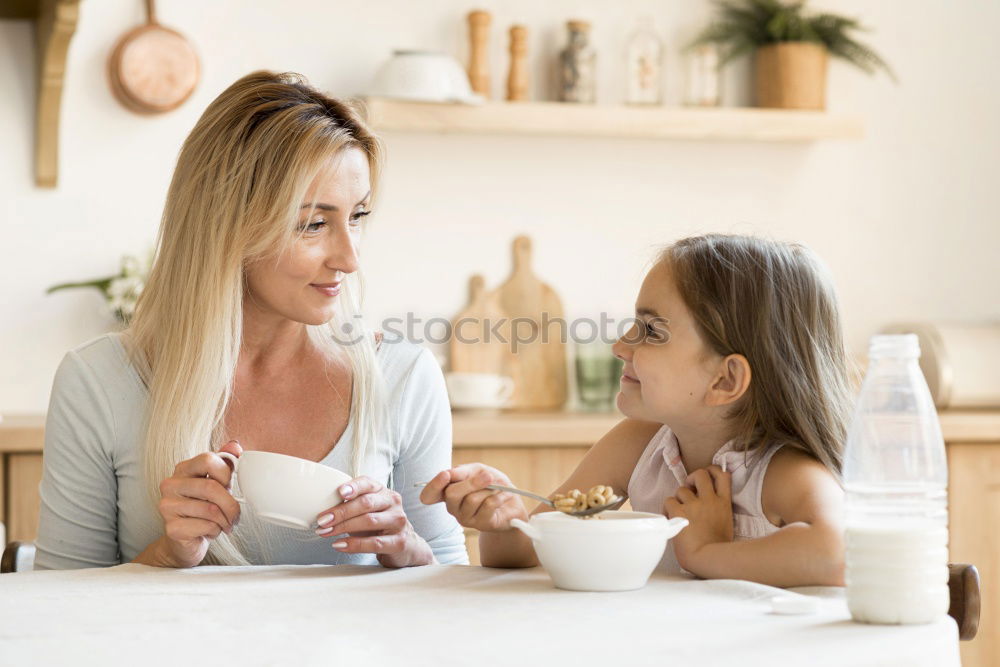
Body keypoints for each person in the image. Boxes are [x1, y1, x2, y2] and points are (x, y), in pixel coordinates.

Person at [35, 71, 467, 569]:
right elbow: (59, 604)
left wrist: (408, 552)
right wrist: (167, 556)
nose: (349, 260)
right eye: (313, 223)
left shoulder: (403, 376)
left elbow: (447, 585)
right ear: (227, 225)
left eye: (358, 216)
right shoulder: (98, 382)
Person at [422, 234, 851, 587]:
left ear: (724, 380)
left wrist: (707, 554)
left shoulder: (782, 471)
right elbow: (532, 548)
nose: (620, 344)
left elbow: (839, 555)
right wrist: (505, 521)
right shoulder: (639, 445)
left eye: (651, 331)